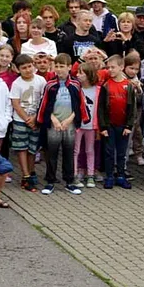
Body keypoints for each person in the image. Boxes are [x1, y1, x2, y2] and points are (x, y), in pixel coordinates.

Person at [37, 64, 88, 196]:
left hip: (68, 124)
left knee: (69, 153)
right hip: (54, 124)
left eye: (62, 66)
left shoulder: (76, 84)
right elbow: (44, 105)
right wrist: (52, 119)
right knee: (51, 153)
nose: (59, 69)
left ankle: (69, 182)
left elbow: (80, 105)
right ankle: (50, 181)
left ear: (69, 67)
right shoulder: (50, 85)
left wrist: (69, 120)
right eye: (57, 66)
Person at [98, 54, 141, 190]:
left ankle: (121, 175)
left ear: (121, 67)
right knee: (110, 152)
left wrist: (129, 125)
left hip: (123, 126)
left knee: (122, 152)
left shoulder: (128, 86)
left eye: (113, 67)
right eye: (108, 67)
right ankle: (110, 176)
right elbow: (101, 108)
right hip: (109, 125)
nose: (110, 70)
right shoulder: (106, 86)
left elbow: (132, 108)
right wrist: (103, 126)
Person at [9, 53, 46, 191]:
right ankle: (25, 176)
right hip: (20, 121)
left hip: (36, 120)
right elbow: (16, 103)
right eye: (24, 68)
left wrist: (36, 117)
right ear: (18, 69)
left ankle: (31, 172)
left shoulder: (41, 81)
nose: (28, 70)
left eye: (29, 66)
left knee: (33, 148)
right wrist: (26, 118)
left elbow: (44, 100)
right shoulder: (17, 83)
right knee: (21, 148)